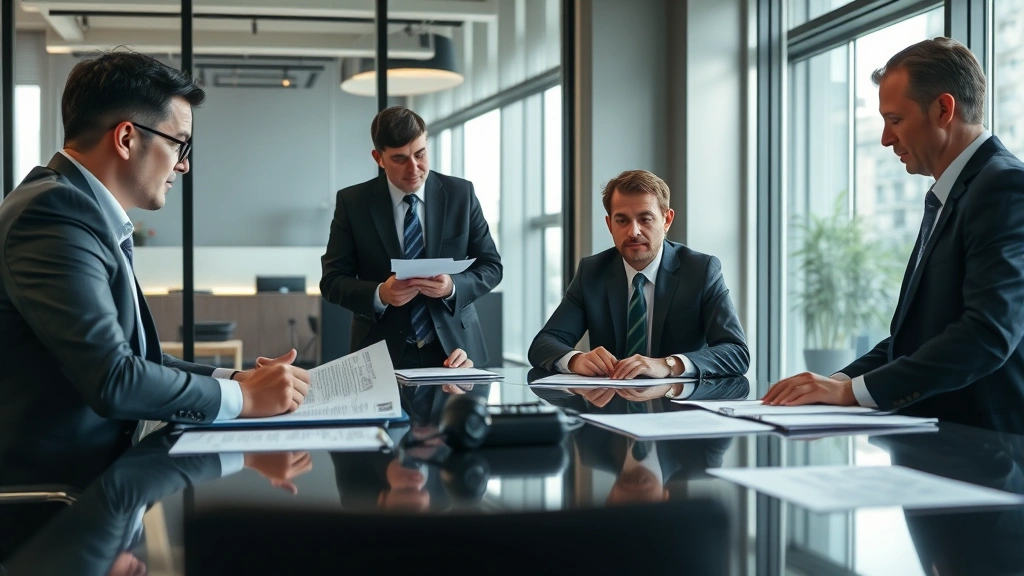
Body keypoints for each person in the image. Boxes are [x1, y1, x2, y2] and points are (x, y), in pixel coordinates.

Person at [0, 50, 310, 489]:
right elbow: (114, 378)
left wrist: (237, 378)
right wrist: (243, 397)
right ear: (126, 138)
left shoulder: (75, 208)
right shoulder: (53, 213)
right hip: (55, 502)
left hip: (94, 480)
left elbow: (136, 359)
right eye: (179, 143)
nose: (183, 164)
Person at [765, 38, 1024, 433]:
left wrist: (851, 393)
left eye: (895, 120)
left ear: (943, 109)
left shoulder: (1004, 187)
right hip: (941, 450)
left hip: (987, 453)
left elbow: (987, 335)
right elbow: (913, 342)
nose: (886, 138)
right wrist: (835, 384)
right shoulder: (951, 194)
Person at [528, 169, 749, 402]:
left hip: (682, 414)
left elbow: (736, 352)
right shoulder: (592, 272)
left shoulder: (701, 270)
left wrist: (668, 364)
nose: (633, 232)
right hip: (611, 414)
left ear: (667, 220)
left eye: (645, 218)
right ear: (609, 224)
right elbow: (543, 344)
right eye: (622, 220)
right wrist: (576, 360)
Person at [320, 106, 502, 369]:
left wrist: (452, 286)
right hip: (379, 354)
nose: (414, 168)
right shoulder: (353, 203)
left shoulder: (461, 194)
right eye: (400, 158)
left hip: (457, 352)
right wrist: (381, 293)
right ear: (379, 158)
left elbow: (491, 267)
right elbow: (332, 281)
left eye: (420, 154)